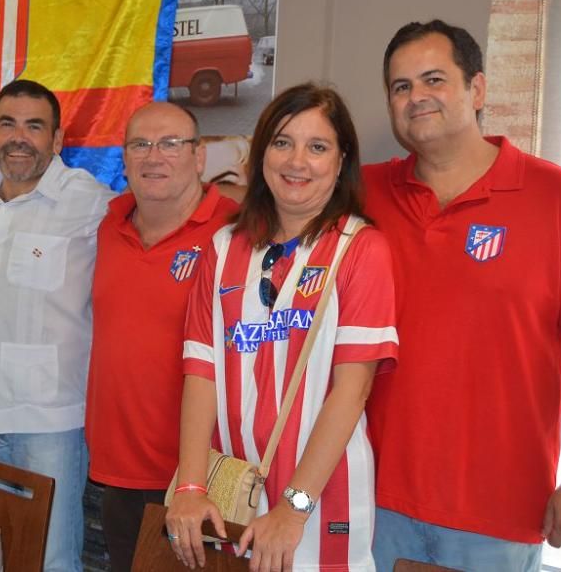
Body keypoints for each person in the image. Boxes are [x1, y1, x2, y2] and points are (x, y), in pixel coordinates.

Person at [365, 20, 561, 570]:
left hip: (498, 516)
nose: (416, 97)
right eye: (401, 87)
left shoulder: (556, 198)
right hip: (370, 504)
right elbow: (276, 195)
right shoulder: (364, 193)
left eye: (433, 79)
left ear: (478, 89)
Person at [166, 84, 398, 571]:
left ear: (341, 162)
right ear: (261, 153)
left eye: (318, 147)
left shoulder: (362, 248)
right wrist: (190, 486)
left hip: (319, 499)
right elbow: (202, 370)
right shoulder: (224, 247)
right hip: (230, 493)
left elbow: (351, 392)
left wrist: (293, 510)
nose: (297, 161)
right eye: (282, 142)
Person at [0, 79, 114, 572]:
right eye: (8, 124)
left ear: (57, 141)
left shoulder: (87, 201)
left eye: (34, 126)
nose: (19, 137)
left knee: (53, 558)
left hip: (49, 423)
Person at [85, 101, 239, 571]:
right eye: (141, 144)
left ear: (198, 157)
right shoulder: (110, 225)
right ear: (125, 157)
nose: (155, 156)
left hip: (202, 477)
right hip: (115, 470)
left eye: (171, 143)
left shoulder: (238, 228)